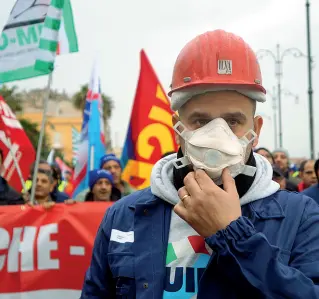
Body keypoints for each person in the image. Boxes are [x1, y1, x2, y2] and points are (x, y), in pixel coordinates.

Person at [81, 30, 319, 298]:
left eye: (232, 122)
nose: (217, 136)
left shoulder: (299, 216)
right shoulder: (125, 215)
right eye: (201, 121)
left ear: (256, 130)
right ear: (177, 129)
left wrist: (232, 235)